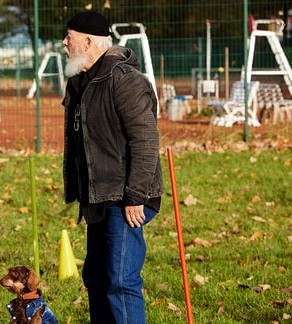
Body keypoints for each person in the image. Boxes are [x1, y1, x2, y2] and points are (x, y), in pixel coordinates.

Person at [61, 10, 164, 324]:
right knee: (96, 278)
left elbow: (145, 141)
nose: (64, 43)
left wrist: (136, 196)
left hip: (125, 198)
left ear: (89, 41)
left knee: (121, 280)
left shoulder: (125, 81)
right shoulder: (78, 83)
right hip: (96, 196)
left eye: (69, 37)